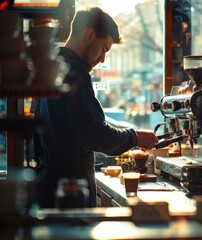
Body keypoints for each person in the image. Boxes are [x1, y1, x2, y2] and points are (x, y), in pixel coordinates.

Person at [33, 5, 159, 208]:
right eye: (103, 49)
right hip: (70, 193)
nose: (102, 59)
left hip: (47, 187)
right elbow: (96, 136)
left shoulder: (53, 68)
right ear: (90, 34)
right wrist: (134, 137)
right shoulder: (75, 72)